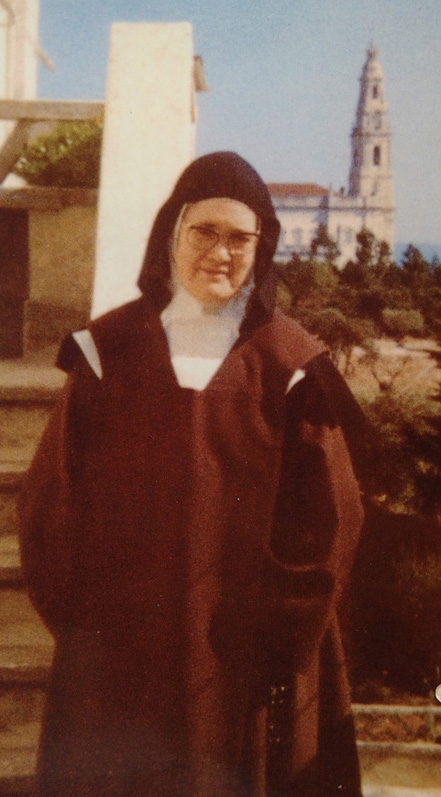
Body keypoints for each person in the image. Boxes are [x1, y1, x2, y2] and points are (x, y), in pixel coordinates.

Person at [19, 152, 366, 796]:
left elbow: (333, 518)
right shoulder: (107, 352)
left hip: (248, 657)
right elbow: (51, 505)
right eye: (204, 231)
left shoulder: (291, 366)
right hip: (121, 654)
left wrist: (282, 638)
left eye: (240, 238)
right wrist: (89, 631)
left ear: (261, 250)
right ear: (170, 235)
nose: (221, 253)